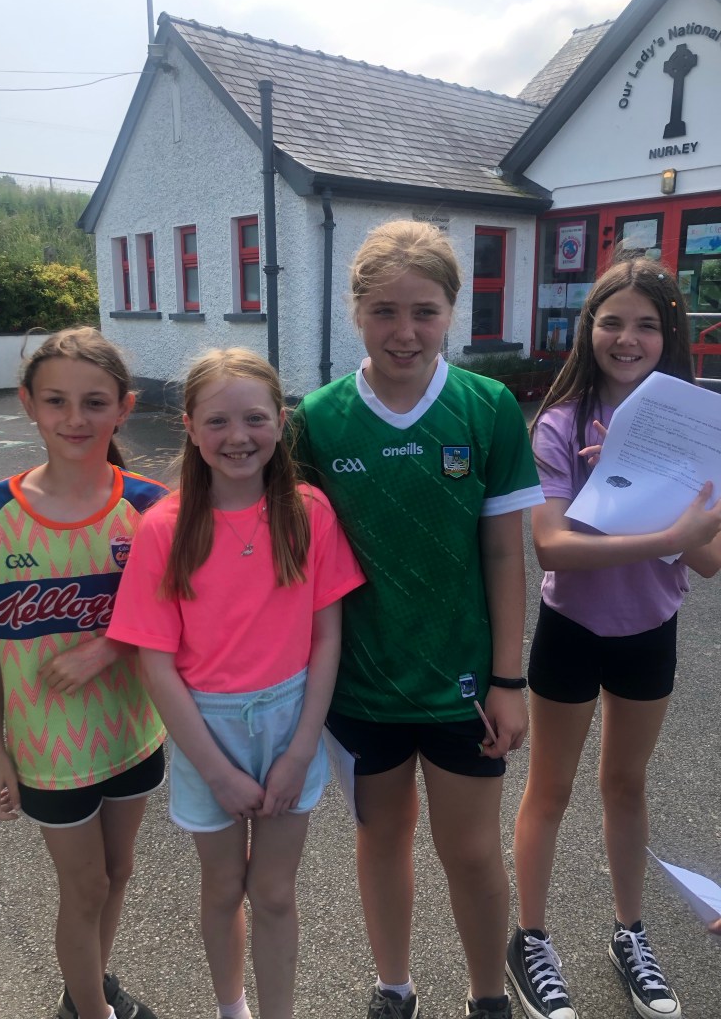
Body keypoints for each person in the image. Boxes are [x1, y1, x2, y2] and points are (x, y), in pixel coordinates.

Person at [292, 219, 545, 1019]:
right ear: (355, 312)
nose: (405, 331)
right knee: (382, 838)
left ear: (451, 313)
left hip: (465, 686)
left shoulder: (487, 407)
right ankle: (394, 987)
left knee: (469, 852)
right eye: (384, 311)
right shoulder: (318, 419)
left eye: (425, 312)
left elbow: (504, 554)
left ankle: (487, 997)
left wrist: (509, 680)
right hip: (361, 687)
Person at [107, 347, 365, 1019]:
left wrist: (301, 751)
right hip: (205, 729)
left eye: (254, 418)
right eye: (217, 421)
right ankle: (232, 1008)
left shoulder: (309, 511)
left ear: (280, 421)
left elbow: (327, 637)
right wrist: (217, 772)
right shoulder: (164, 528)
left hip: (291, 722)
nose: (238, 436)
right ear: (190, 427)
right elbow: (156, 663)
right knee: (223, 888)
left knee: (274, 892)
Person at [507, 258, 721, 1019]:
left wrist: (650, 493)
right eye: (612, 322)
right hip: (571, 628)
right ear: (587, 329)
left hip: (650, 631)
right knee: (551, 788)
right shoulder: (561, 423)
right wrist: (642, 515)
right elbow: (552, 548)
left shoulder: (697, 428)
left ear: (671, 336)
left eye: (646, 325)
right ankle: (531, 940)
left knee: (626, 786)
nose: (627, 339)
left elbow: (707, 560)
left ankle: (630, 934)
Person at [0, 327, 169, 1019]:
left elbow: (176, 614)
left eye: (94, 402)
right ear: (27, 403)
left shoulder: (149, 506)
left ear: (124, 408)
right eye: (56, 401)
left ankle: (86, 992)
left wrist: (107, 647)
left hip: (133, 730)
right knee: (84, 888)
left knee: (118, 872)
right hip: (47, 749)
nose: (75, 418)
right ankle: (91, 1009)